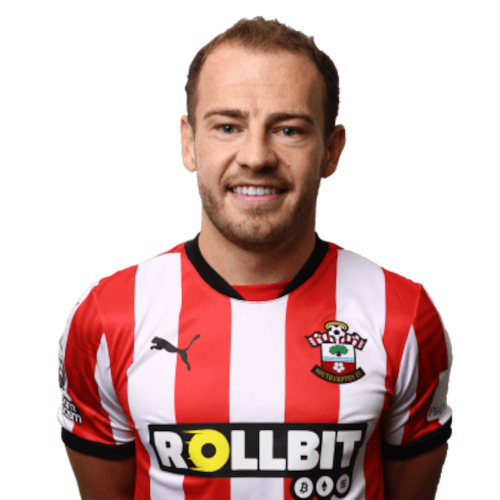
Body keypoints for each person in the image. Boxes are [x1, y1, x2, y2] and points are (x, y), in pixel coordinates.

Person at [56, 15, 453, 500]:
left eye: (288, 130)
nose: (256, 156)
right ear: (188, 142)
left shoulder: (404, 317)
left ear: (331, 151)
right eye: (228, 126)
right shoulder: (106, 317)